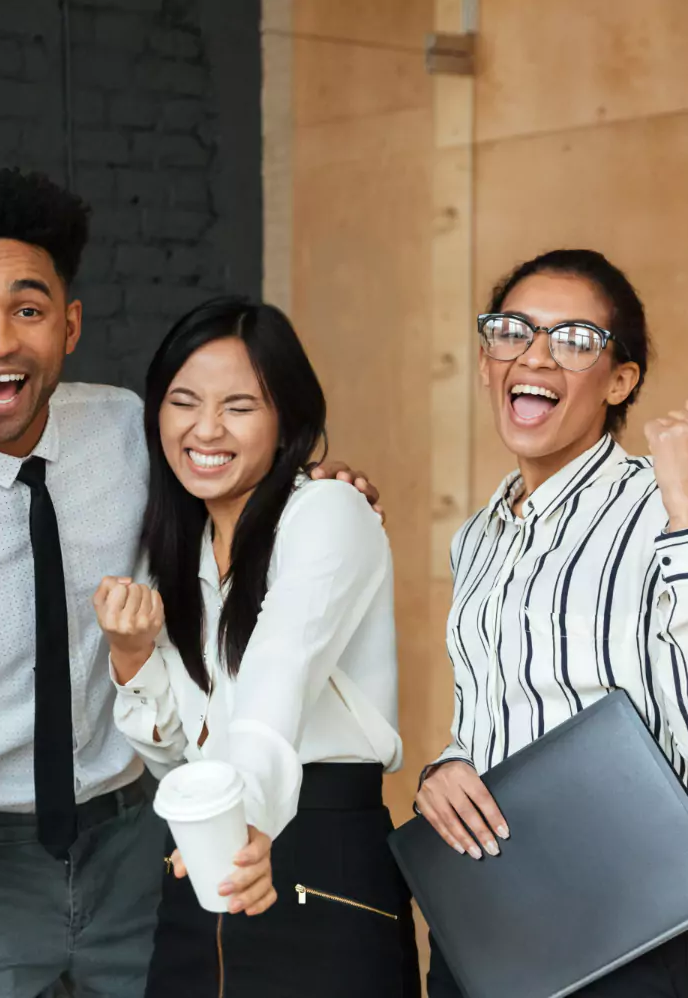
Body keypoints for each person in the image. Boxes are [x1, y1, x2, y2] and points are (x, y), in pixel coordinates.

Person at [0, 168, 380, 997]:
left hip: (136, 841)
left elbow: (225, 482)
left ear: (70, 324)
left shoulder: (129, 429)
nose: (0, 341)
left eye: (29, 308)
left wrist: (310, 489)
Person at [414, 249, 688, 997]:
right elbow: (492, 713)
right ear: (486, 361)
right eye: (514, 333)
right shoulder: (478, 534)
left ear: (621, 379)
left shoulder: (674, 507)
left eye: (572, 341)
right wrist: (446, 769)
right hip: (486, 922)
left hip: (628, 933)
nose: (534, 356)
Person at [93, 297, 420, 996]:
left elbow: (281, 671)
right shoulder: (170, 554)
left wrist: (247, 818)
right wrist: (132, 658)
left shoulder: (329, 513)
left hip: (317, 852)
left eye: (239, 406)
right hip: (206, 853)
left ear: (288, 421)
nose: (205, 428)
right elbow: (180, 754)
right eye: (183, 401)